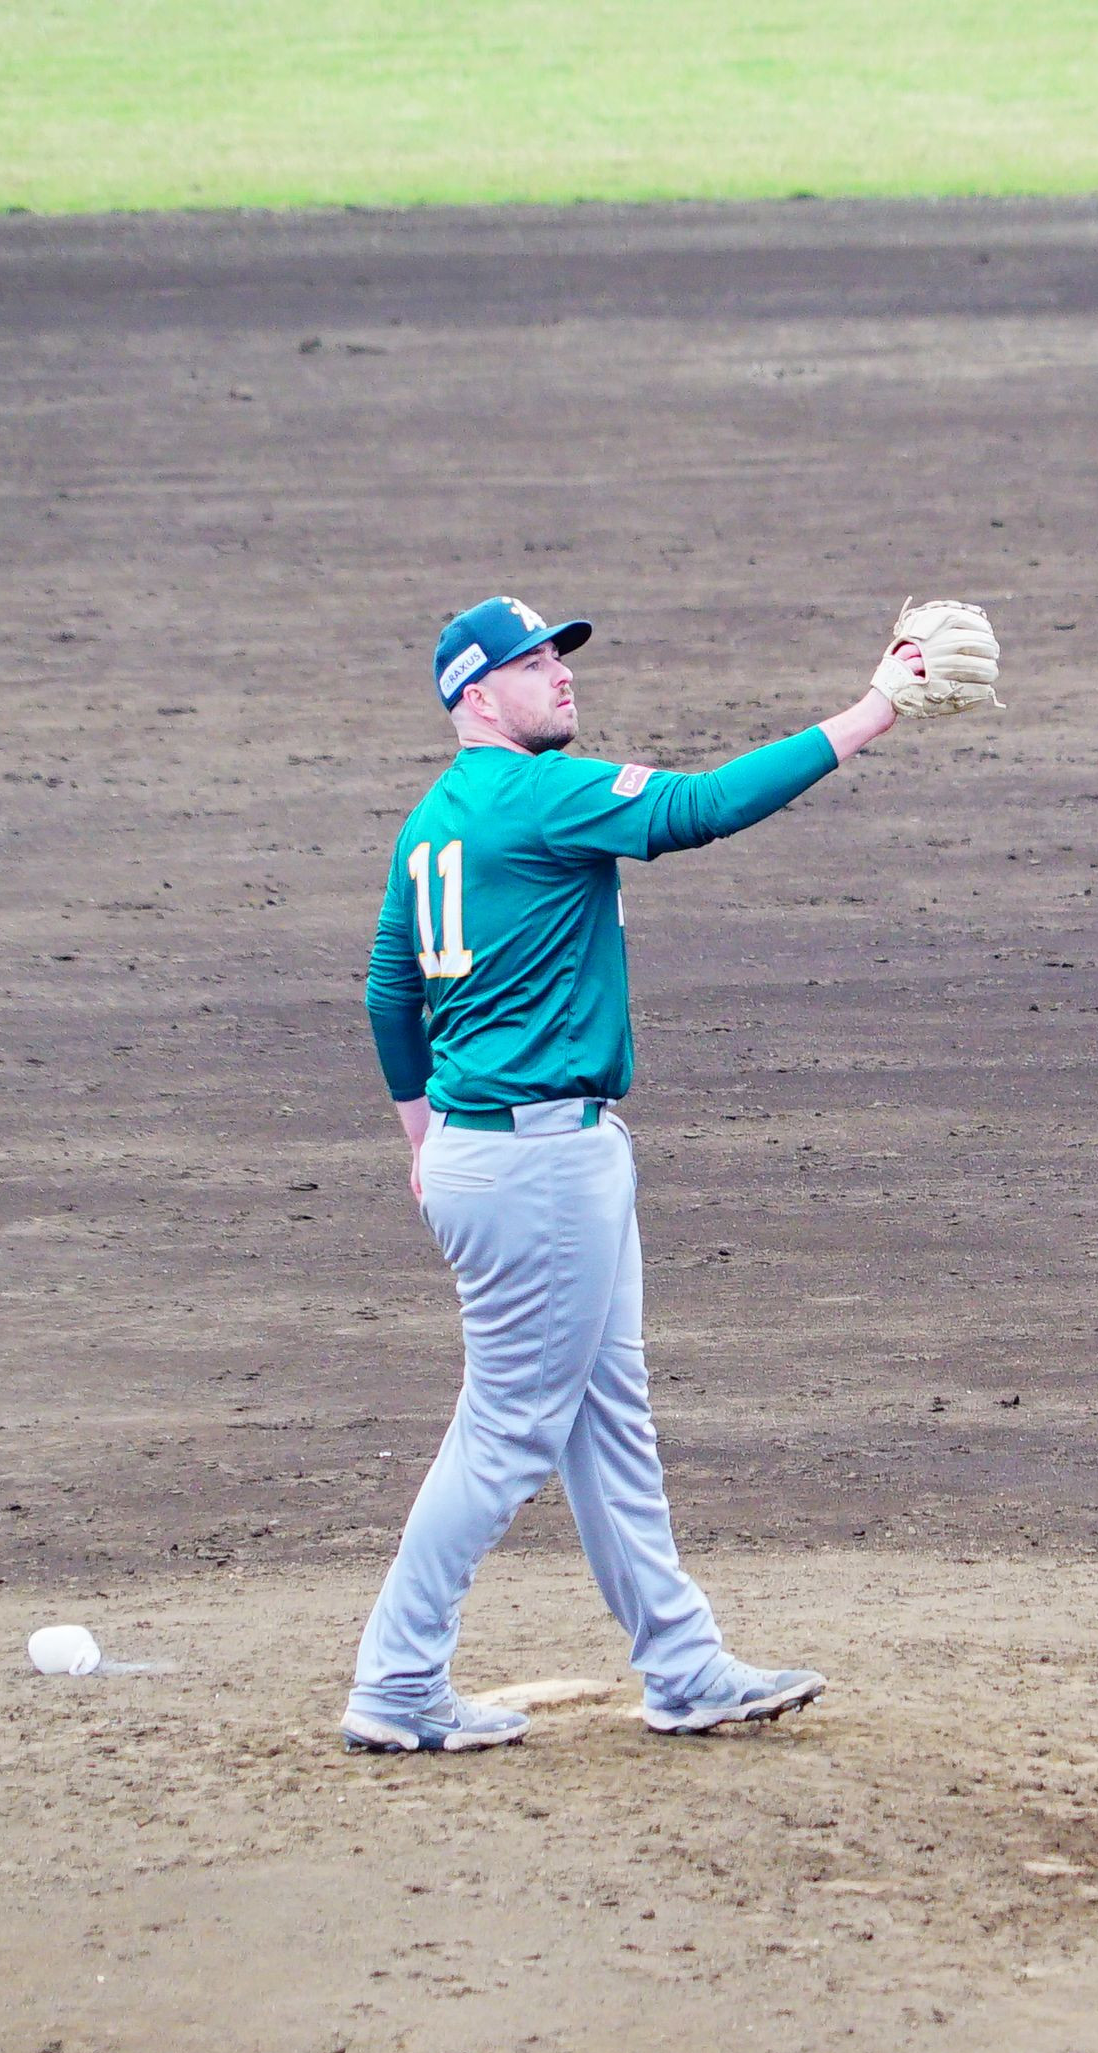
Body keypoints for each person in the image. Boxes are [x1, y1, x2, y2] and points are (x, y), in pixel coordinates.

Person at [342, 594, 997, 1751]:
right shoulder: (539, 795)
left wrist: (422, 1139)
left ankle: (684, 1668)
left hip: (507, 1152)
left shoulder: (433, 821)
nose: (560, 673)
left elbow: (391, 992)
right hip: (537, 1163)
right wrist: (874, 711)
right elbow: (701, 807)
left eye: (559, 656)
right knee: (506, 1433)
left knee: (606, 1421)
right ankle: (396, 1683)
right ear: (475, 696)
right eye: (531, 663)